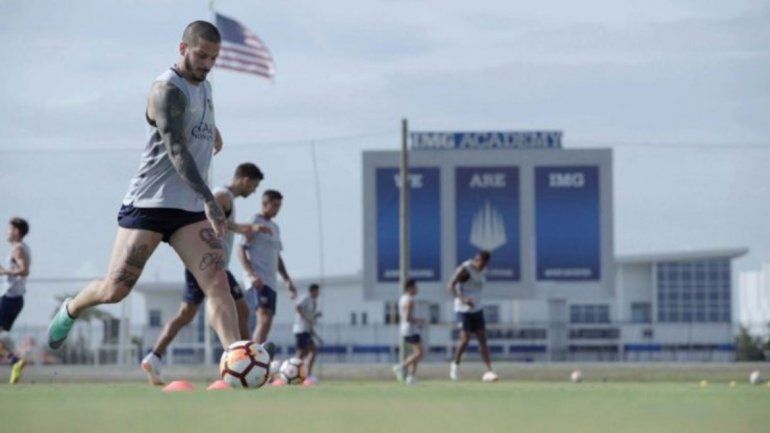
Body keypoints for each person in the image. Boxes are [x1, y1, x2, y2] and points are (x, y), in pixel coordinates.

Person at [47, 22, 244, 371]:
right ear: (183, 49)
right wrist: (211, 201)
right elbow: (178, 152)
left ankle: (236, 359)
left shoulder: (205, 86)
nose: (207, 64)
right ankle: (72, 308)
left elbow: (195, 117)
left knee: (218, 282)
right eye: (201, 55)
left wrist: (213, 130)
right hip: (150, 205)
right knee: (115, 289)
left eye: (214, 58)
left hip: (188, 210)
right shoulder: (165, 91)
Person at [141, 163, 269, 385]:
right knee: (241, 310)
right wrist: (243, 228)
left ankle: (154, 357)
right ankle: (247, 362)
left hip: (203, 263)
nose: (254, 191)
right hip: (210, 264)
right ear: (245, 180)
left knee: (186, 315)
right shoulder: (223, 196)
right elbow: (205, 218)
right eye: (254, 186)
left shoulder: (224, 196)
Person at [238, 189, 297, 344]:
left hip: (271, 282)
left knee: (268, 321)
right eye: (275, 205)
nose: (277, 209)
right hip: (258, 280)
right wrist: (251, 274)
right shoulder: (255, 221)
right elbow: (240, 249)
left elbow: (277, 256)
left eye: (279, 206)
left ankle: (258, 356)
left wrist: (287, 280)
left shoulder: (275, 228)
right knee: (263, 318)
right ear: (264, 204)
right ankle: (253, 357)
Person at [448, 251, 498, 382]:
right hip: (463, 309)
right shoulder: (465, 269)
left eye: (486, 264)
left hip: (477, 308)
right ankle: (455, 366)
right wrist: (463, 299)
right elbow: (451, 286)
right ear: (477, 260)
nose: (483, 266)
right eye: (481, 263)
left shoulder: (482, 271)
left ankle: (489, 371)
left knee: (483, 340)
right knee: (465, 339)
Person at [0, 217, 31, 384]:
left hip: (11, 299)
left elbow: (25, 271)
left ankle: (15, 361)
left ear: (17, 232)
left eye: (9, 228)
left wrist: (5, 272)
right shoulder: (19, 248)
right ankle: (15, 362)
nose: (6, 231)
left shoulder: (18, 249)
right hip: (12, 298)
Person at [393, 278, 424, 385]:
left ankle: (411, 377)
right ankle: (401, 367)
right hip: (410, 329)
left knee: (417, 353)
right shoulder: (409, 300)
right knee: (419, 353)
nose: (417, 289)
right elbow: (407, 318)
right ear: (410, 288)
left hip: (407, 328)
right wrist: (419, 321)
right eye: (416, 287)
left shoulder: (403, 298)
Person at [293, 283, 321, 384]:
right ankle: (291, 372)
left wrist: (317, 337)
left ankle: (306, 374)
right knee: (301, 353)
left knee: (311, 351)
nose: (318, 293)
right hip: (301, 329)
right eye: (317, 291)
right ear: (312, 291)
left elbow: (310, 320)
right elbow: (297, 307)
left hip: (307, 331)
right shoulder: (306, 298)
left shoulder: (313, 302)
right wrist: (304, 317)